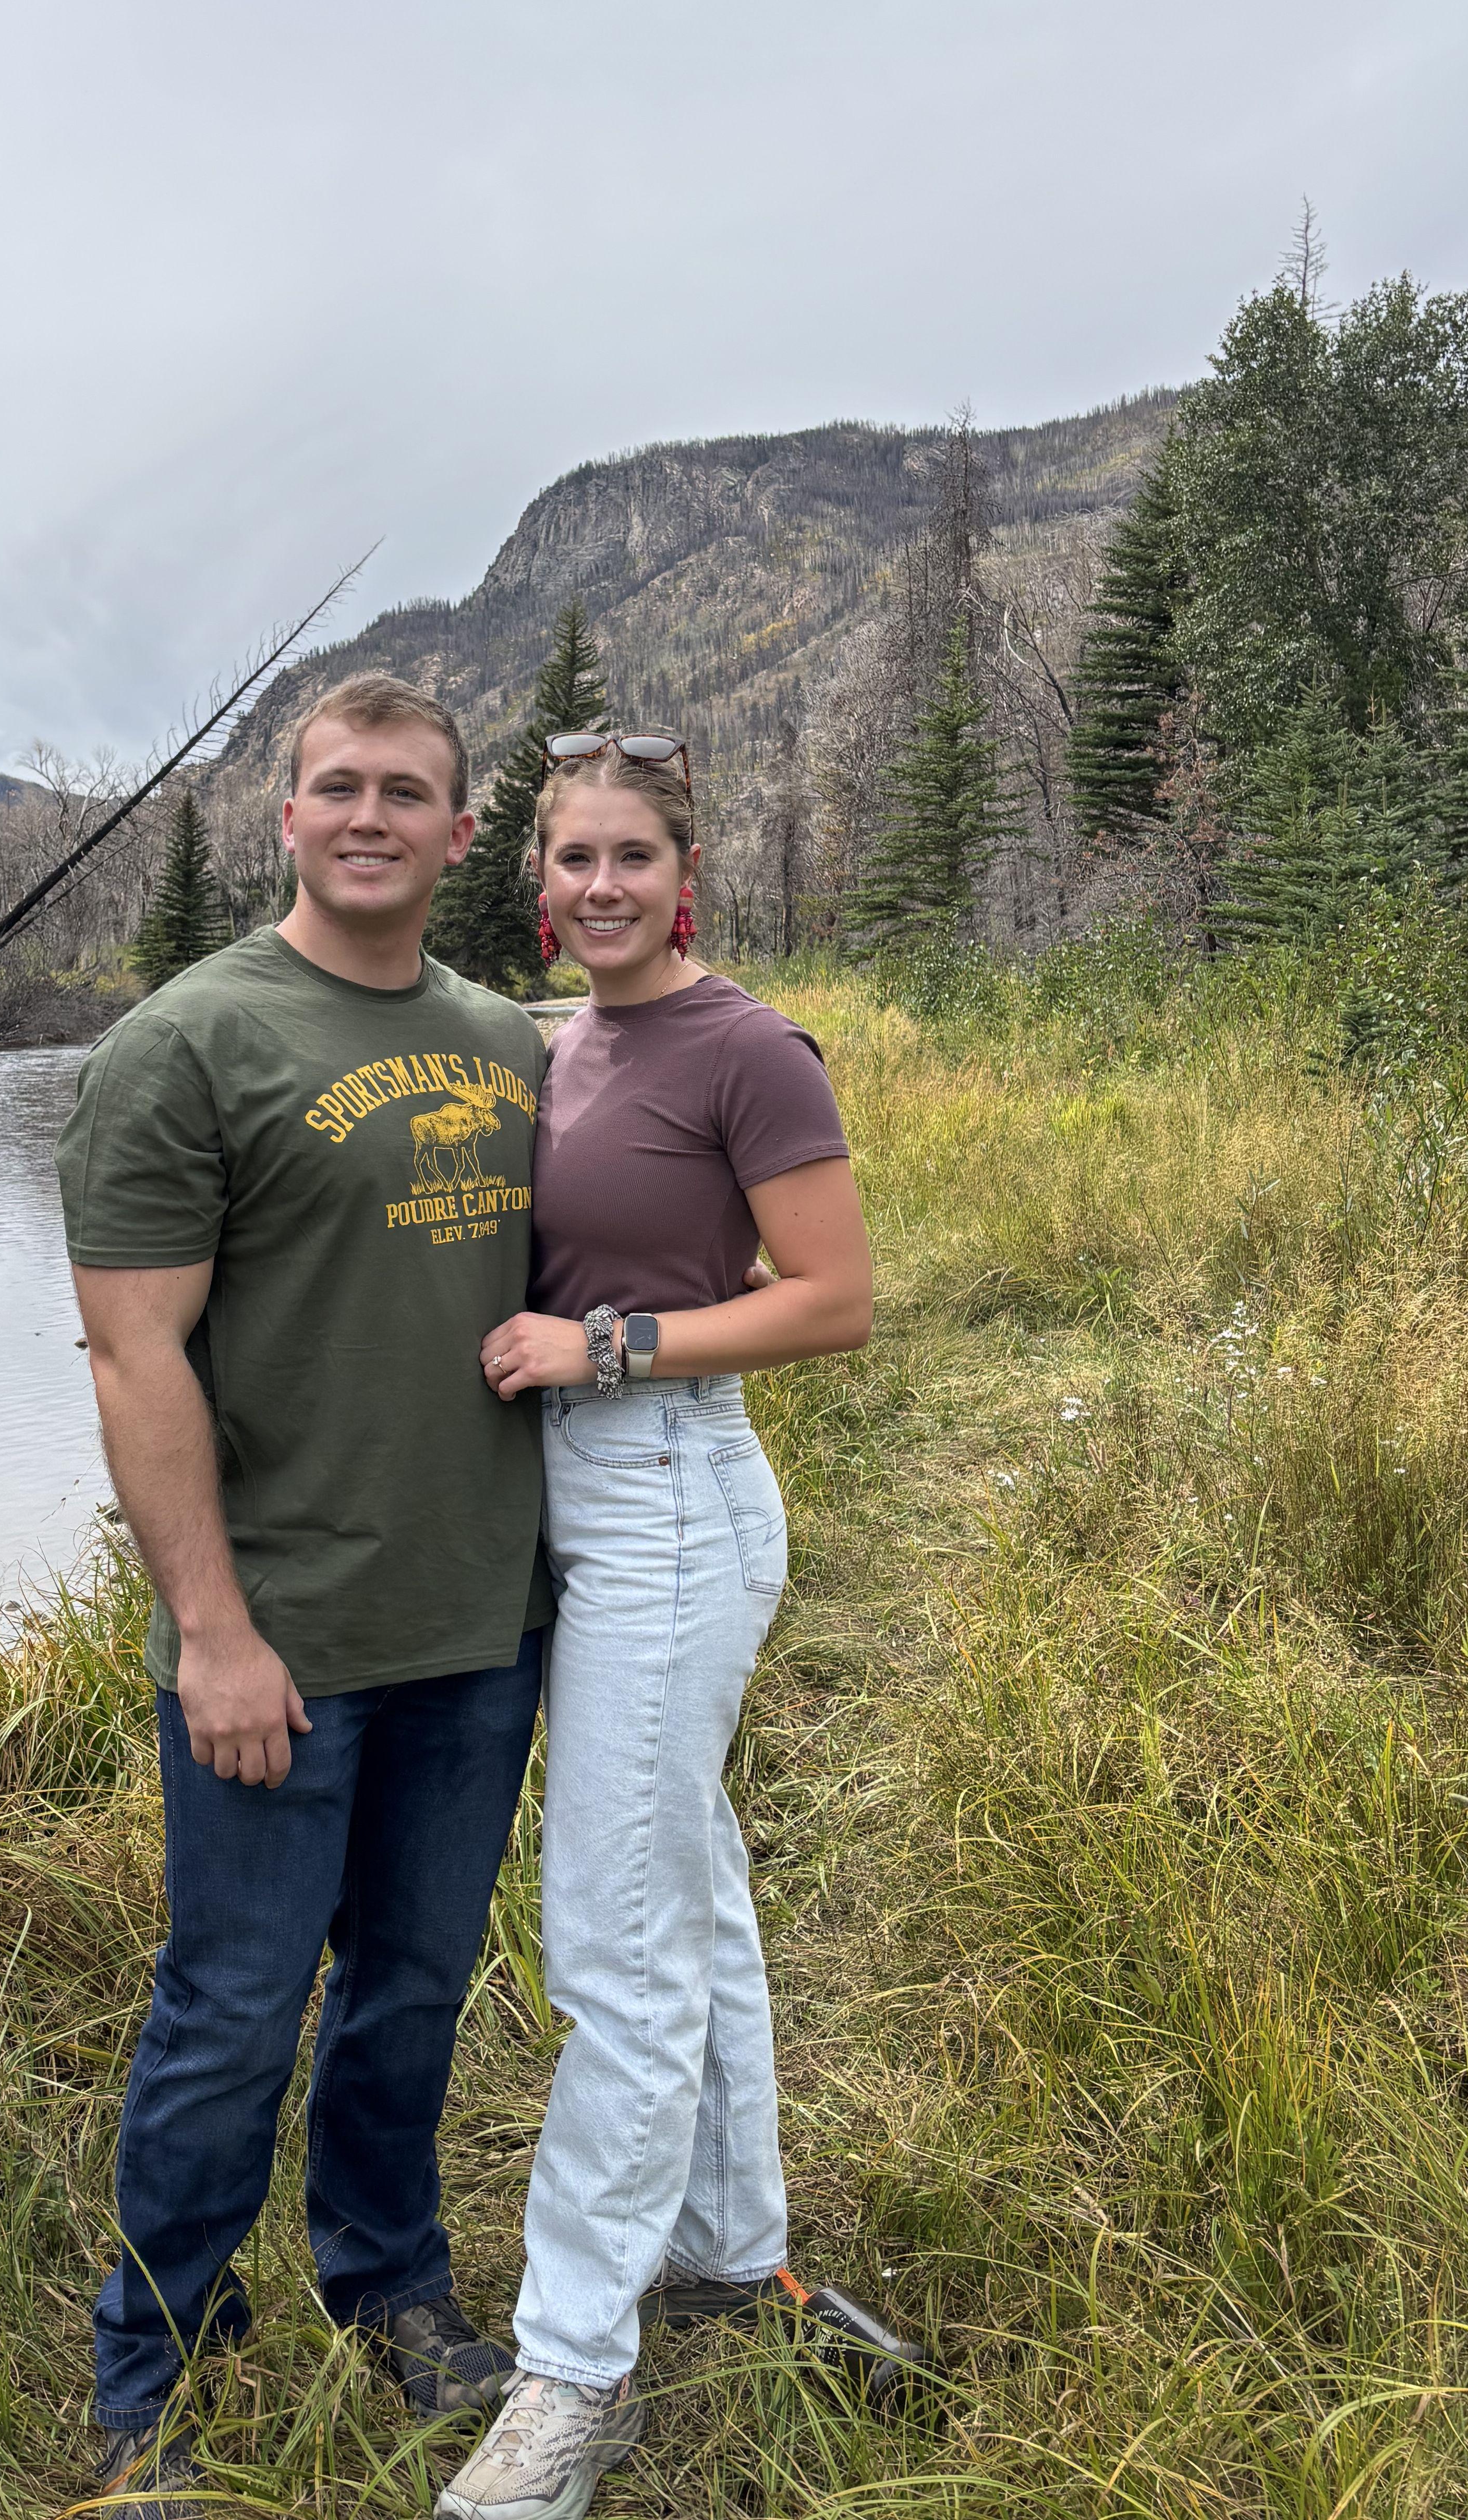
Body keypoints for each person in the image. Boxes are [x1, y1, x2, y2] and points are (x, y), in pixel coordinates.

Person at [57, 674, 554, 2515]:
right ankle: (147, 2387)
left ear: (453, 829)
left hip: (478, 1628)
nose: (369, 816)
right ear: (287, 818)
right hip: (281, 1646)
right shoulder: (186, 1046)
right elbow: (134, 1359)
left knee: (415, 1990)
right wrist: (212, 1632)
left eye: (404, 792)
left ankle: (390, 2284)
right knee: (232, 2010)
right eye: (336, 787)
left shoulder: (505, 1038)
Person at [440, 736, 906, 2520]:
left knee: (613, 1939)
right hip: (576, 1498)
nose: (601, 885)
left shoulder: (748, 1047)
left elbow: (838, 1301)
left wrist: (609, 1348)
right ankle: (729, 2244)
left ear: (684, 868)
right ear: (538, 879)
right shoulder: (559, 1045)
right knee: (684, 1881)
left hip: (672, 1496)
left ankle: (574, 2374)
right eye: (573, 858)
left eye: (633, 854)